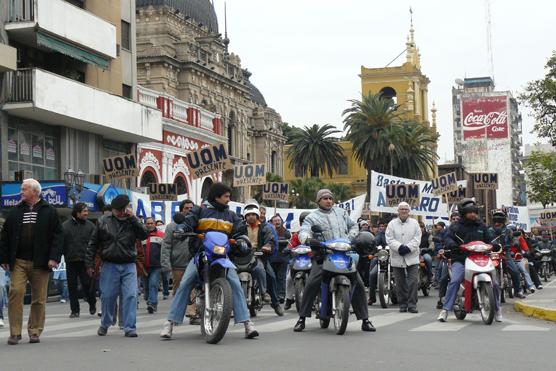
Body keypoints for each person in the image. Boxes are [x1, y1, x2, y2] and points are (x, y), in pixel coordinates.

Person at [160, 183, 259, 339]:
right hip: (201, 254)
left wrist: (241, 240)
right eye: (226, 196)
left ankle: (247, 324)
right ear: (216, 196)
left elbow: (240, 232)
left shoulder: (232, 215)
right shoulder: (199, 211)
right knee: (185, 283)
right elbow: (188, 223)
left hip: (223, 256)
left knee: (235, 284)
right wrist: (181, 230)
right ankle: (169, 323)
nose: (229, 199)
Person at [293, 189, 375, 332]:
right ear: (318, 201)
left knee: (358, 283)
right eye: (325, 198)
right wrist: (308, 239)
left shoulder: (341, 212)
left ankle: (365, 320)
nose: (328, 201)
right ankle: (302, 318)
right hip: (324, 254)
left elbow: (353, 225)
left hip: (344, 253)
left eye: (330, 198)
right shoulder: (312, 217)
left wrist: (352, 237)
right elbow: (304, 231)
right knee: (313, 281)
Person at [0, 178, 63, 345]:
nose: (21, 192)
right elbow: (4, 237)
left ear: (35, 192)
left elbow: (58, 236)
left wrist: (54, 258)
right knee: (16, 293)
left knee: (39, 298)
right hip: (19, 261)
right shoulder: (15, 211)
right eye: (21, 189)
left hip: (41, 262)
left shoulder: (49, 211)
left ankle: (34, 331)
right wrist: (4, 258)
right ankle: (14, 333)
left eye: (24, 189)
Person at [86, 194, 149, 337]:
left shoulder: (133, 221)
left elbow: (144, 234)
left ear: (127, 208)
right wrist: (89, 264)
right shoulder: (103, 221)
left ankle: (129, 327)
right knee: (107, 296)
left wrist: (133, 218)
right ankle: (105, 323)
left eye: (122, 209)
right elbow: (93, 244)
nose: (120, 212)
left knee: (131, 295)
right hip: (109, 264)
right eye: (117, 210)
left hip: (129, 264)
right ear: (113, 210)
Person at [437, 199, 502, 322]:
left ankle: (497, 309)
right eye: (470, 212)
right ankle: (445, 310)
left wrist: (495, 244)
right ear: (463, 213)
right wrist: (451, 244)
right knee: (455, 280)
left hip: (481, 258)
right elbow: (447, 238)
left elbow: (490, 239)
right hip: (461, 259)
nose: (473, 214)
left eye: (474, 212)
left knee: (495, 283)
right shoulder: (455, 227)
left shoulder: (481, 226)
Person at [243, 203, 284, 316]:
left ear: (257, 216)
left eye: (253, 214)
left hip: (259, 256)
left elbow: (270, 239)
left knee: (271, 276)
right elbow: (234, 237)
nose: (251, 216)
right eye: (248, 214)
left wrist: (267, 246)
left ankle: (274, 302)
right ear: (245, 216)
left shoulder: (266, 227)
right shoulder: (240, 226)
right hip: (242, 256)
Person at [161, 199, 197, 323]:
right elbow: (166, 246)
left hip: (193, 262)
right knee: (178, 290)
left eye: (191, 208)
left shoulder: (196, 224)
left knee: (193, 288)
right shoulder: (171, 226)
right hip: (177, 265)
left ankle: (193, 314)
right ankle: (175, 316)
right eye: (186, 208)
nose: (189, 210)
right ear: (181, 210)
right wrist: (166, 265)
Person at [385, 202, 422, 313]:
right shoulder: (391, 224)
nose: (404, 211)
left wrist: (408, 248)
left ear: (409, 211)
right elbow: (389, 239)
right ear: (398, 211)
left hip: (412, 256)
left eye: (406, 209)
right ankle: (403, 304)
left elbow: (417, 238)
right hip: (397, 256)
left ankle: (412, 305)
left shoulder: (415, 223)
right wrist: (399, 247)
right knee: (400, 282)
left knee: (413, 281)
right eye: (402, 209)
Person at [62, 202, 96, 318]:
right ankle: (75, 310)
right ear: (77, 213)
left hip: (85, 261)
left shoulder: (91, 226)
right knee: (72, 286)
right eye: (84, 211)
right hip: (71, 260)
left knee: (87, 284)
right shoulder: (65, 226)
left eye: (87, 211)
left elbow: (95, 244)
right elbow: (60, 243)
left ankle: (92, 302)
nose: (87, 213)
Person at [489, 211, 526, 299]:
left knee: (515, 271)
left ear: (503, 221)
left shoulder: (508, 231)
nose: (497, 223)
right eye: (496, 221)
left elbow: (514, 238)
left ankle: (517, 291)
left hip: (506, 253)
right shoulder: (489, 230)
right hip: (492, 254)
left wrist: (515, 242)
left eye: (499, 222)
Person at [284, 211, 310, 310]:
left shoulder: (315, 235)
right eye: (303, 222)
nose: (305, 224)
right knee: (289, 278)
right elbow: (290, 245)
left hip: (312, 260)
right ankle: (289, 298)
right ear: (300, 223)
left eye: (307, 221)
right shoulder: (296, 235)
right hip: (297, 260)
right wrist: (288, 249)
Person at [142, 217, 165, 314]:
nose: (150, 225)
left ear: (154, 224)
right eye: (148, 223)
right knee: (146, 287)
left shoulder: (161, 235)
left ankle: (152, 303)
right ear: (145, 224)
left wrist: (164, 263)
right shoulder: (141, 236)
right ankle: (149, 301)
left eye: (151, 223)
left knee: (153, 284)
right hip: (144, 266)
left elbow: (164, 250)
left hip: (156, 265)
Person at [270, 214, 291, 303]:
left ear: (281, 222)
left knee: (281, 277)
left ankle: (281, 295)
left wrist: (276, 241)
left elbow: (287, 241)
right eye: (275, 220)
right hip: (272, 258)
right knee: (272, 278)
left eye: (279, 220)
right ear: (272, 222)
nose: (277, 222)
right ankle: (272, 295)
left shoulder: (286, 232)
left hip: (283, 258)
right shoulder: (269, 231)